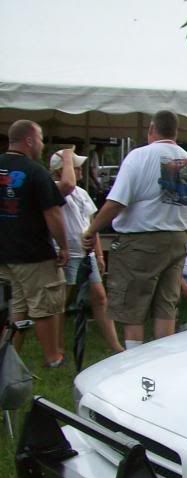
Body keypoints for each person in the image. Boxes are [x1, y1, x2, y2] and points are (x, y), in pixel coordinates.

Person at [82, 110, 187, 348]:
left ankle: (134, 362)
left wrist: (91, 229)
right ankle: (162, 360)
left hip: (140, 241)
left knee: (133, 304)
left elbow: (116, 202)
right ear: (176, 132)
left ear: (151, 130)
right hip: (177, 239)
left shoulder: (139, 156)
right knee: (165, 305)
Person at [0, 121, 70, 368]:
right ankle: (53, 357)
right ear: (29, 140)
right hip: (33, 254)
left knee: (16, 307)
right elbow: (53, 214)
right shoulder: (36, 171)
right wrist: (63, 246)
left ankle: (7, 355)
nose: (41, 144)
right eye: (40, 139)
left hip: (4, 253)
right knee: (44, 307)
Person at [50, 150, 122, 353]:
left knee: (100, 297)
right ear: (60, 171)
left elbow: (91, 225)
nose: (80, 170)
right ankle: (57, 348)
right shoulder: (54, 189)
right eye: (74, 167)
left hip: (85, 254)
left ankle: (115, 346)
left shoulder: (81, 193)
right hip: (65, 254)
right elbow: (67, 186)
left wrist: (98, 254)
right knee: (60, 302)